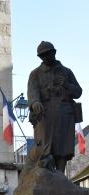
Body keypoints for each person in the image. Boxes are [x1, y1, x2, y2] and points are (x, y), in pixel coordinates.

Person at [28, 41, 82, 173]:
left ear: (54, 53)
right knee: (46, 145)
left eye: (48, 54)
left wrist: (67, 85)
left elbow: (78, 92)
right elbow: (32, 91)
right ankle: (46, 173)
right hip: (45, 113)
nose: (45, 57)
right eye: (42, 55)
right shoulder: (35, 73)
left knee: (62, 145)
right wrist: (35, 102)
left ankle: (61, 175)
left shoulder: (67, 72)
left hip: (65, 113)